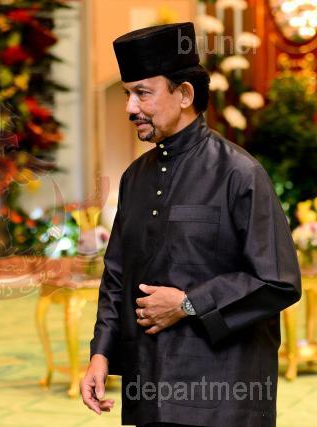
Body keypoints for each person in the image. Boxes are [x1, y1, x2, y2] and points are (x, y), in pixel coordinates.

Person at [80, 22, 301, 426]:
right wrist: (101, 354)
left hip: (224, 397)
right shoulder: (135, 177)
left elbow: (278, 281)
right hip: (150, 389)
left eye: (142, 93)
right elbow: (116, 275)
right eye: (127, 94)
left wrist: (188, 303)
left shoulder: (240, 174)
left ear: (184, 94)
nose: (130, 108)